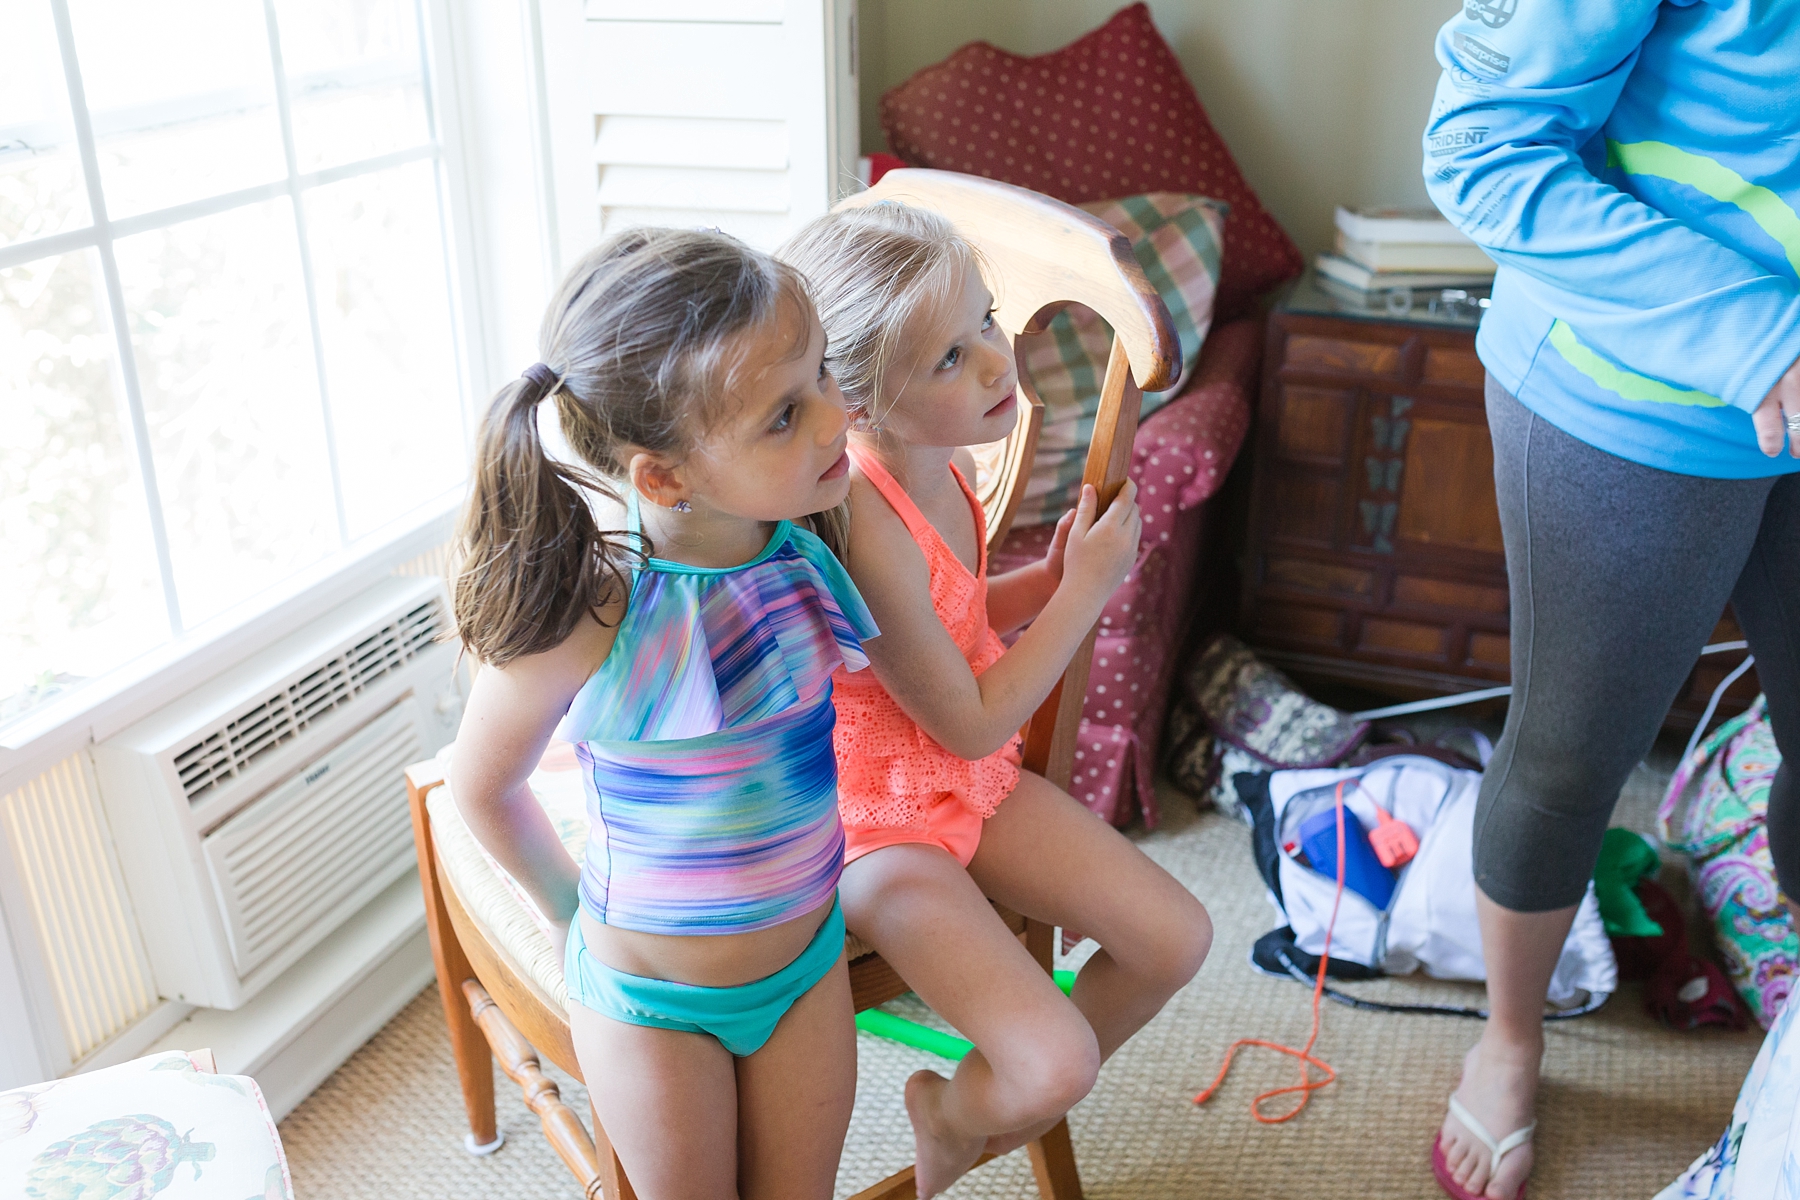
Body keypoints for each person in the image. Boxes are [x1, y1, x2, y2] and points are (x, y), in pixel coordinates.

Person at [1421, 3, 1800, 1198]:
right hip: (1630, 399)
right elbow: (1482, 148)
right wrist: (1767, 341)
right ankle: (1510, 1041)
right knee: (1569, 759)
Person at [779, 204, 1213, 1199]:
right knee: (1058, 1062)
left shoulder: (947, 461)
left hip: (964, 775)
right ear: (858, 402)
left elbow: (954, 619)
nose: (994, 361)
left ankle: (973, 1104)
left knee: (1175, 937)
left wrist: (1039, 581)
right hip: (874, 822)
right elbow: (970, 712)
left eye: (985, 320)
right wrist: (1085, 592)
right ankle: (960, 1106)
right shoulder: (863, 517)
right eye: (948, 358)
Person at [447, 229, 877, 1199]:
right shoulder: (597, 612)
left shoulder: (808, 544)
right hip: (651, 1001)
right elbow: (484, 785)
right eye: (785, 414)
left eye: (822, 376)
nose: (836, 416)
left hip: (806, 964)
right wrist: (566, 916)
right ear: (662, 477)